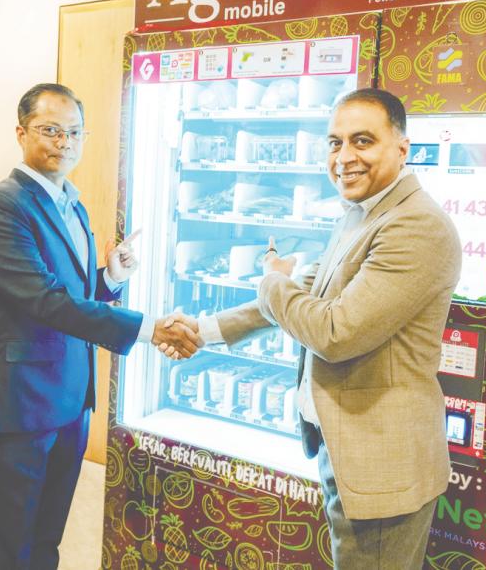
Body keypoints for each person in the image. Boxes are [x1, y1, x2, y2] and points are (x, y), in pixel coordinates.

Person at [195, 88, 461, 569]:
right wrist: (204, 331)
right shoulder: (361, 216)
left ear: (402, 148)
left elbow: (336, 333)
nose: (344, 157)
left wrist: (274, 279)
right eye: (334, 143)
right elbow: (301, 294)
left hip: (383, 464)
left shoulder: (415, 226)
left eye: (363, 141)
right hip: (349, 450)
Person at [0, 83, 201, 569]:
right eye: (50, 130)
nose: (64, 142)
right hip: (17, 404)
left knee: (47, 538)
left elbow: (71, 295)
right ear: (22, 133)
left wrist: (110, 277)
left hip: (69, 401)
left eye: (74, 132)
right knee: (6, 545)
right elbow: (43, 299)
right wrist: (149, 328)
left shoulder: (72, 202)